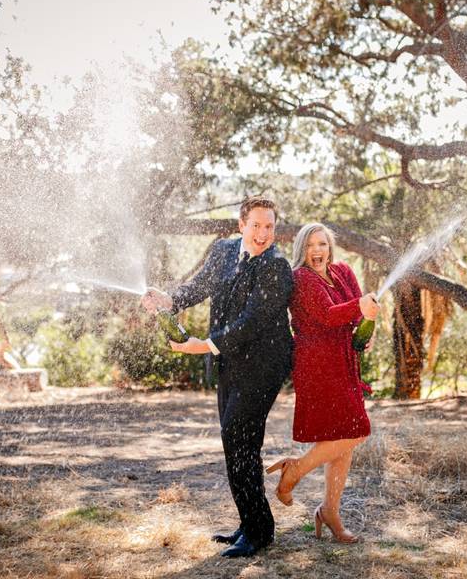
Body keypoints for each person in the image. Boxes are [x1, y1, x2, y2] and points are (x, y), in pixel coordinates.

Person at [141, 196, 294, 558]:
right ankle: (251, 523)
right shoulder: (224, 250)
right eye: (255, 225)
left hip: (264, 366)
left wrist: (205, 346)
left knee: (238, 435)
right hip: (230, 363)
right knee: (237, 443)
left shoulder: (276, 266)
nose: (262, 233)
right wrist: (169, 300)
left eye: (269, 226)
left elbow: (251, 323)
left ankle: (258, 531)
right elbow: (198, 287)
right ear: (241, 225)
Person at [266, 222, 380, 543]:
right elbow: (329, 315)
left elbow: (356, 313)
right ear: (302, 249)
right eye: (310, 245)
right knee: (356, 431)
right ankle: (295, 470)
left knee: (343, 435)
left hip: (344, 360)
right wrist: (359, 308)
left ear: (330, 247)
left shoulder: (343, 271)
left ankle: (330, 511)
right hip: (317, 363)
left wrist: (365, 327)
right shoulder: (300, 278)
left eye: (322, 244)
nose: (317, 251)